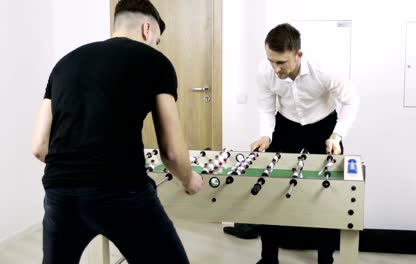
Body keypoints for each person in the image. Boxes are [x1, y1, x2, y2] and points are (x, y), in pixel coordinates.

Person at [31, 1, 203, 263]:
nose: (156, 45)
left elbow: (40, 147)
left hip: (59, 192)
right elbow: (171, 151)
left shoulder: (64, 63)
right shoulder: (155, 61)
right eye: (157, 39)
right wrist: (189, 180)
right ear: (147, 29)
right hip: (121, 191)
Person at [226, 23, 360, 264]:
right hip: (286, 126)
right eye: (271, 61)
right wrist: (266, 135)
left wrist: (337, 135)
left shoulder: (325, 69)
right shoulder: (265, 72)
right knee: (269, 190)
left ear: (298, 54)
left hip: (324, 128)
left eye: (281, 63)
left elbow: (351, 101)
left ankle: (325, 259)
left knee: (328, 194)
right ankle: (268, 259)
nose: (275, 69)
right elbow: (266, 106)